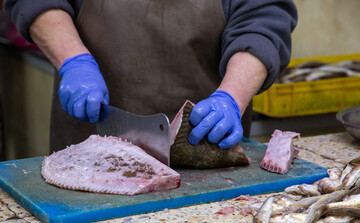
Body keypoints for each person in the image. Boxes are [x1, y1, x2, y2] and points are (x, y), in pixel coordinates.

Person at [3, 0, 297, 153]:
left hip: (207, 149)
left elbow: (264, 20)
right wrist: (73, 60)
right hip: (89, 154)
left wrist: (231, 97)